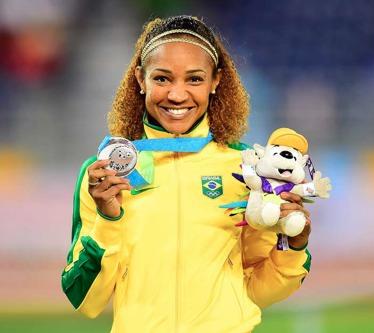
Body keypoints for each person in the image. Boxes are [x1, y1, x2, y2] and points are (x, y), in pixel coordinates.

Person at [61, 15, 312, 333]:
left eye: (194, 79)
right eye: (162, 79)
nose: (177, 95)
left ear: (215, 81)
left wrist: (293, 245)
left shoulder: (247, 169)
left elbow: (259, 289)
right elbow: (86, 301)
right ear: (140, 79)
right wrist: (108, 220)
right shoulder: (105, 175)